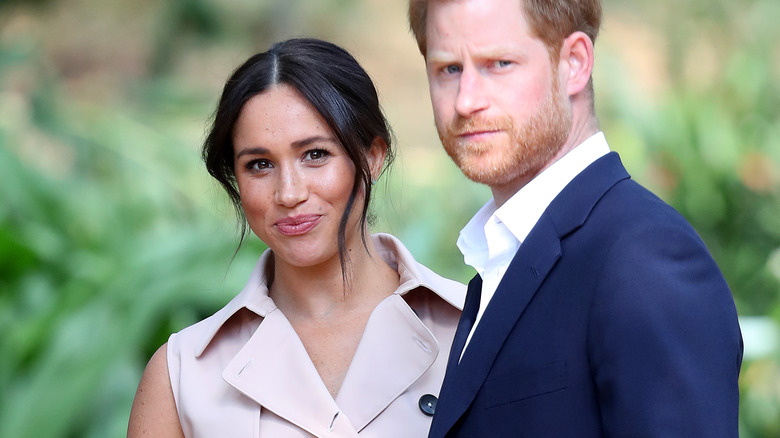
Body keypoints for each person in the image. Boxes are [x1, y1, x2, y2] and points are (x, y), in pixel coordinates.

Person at [407, 0, 743, 436]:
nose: (467, 99)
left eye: (499, 63)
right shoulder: (504, 257)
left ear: (575, 63)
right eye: (449, 69)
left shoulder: (644, 260)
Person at [127, 38, 464, 437]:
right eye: (260, 164)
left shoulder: (475, 329)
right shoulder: (182, 375)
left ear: (372, 156)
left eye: (315, 155)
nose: (289, 193)